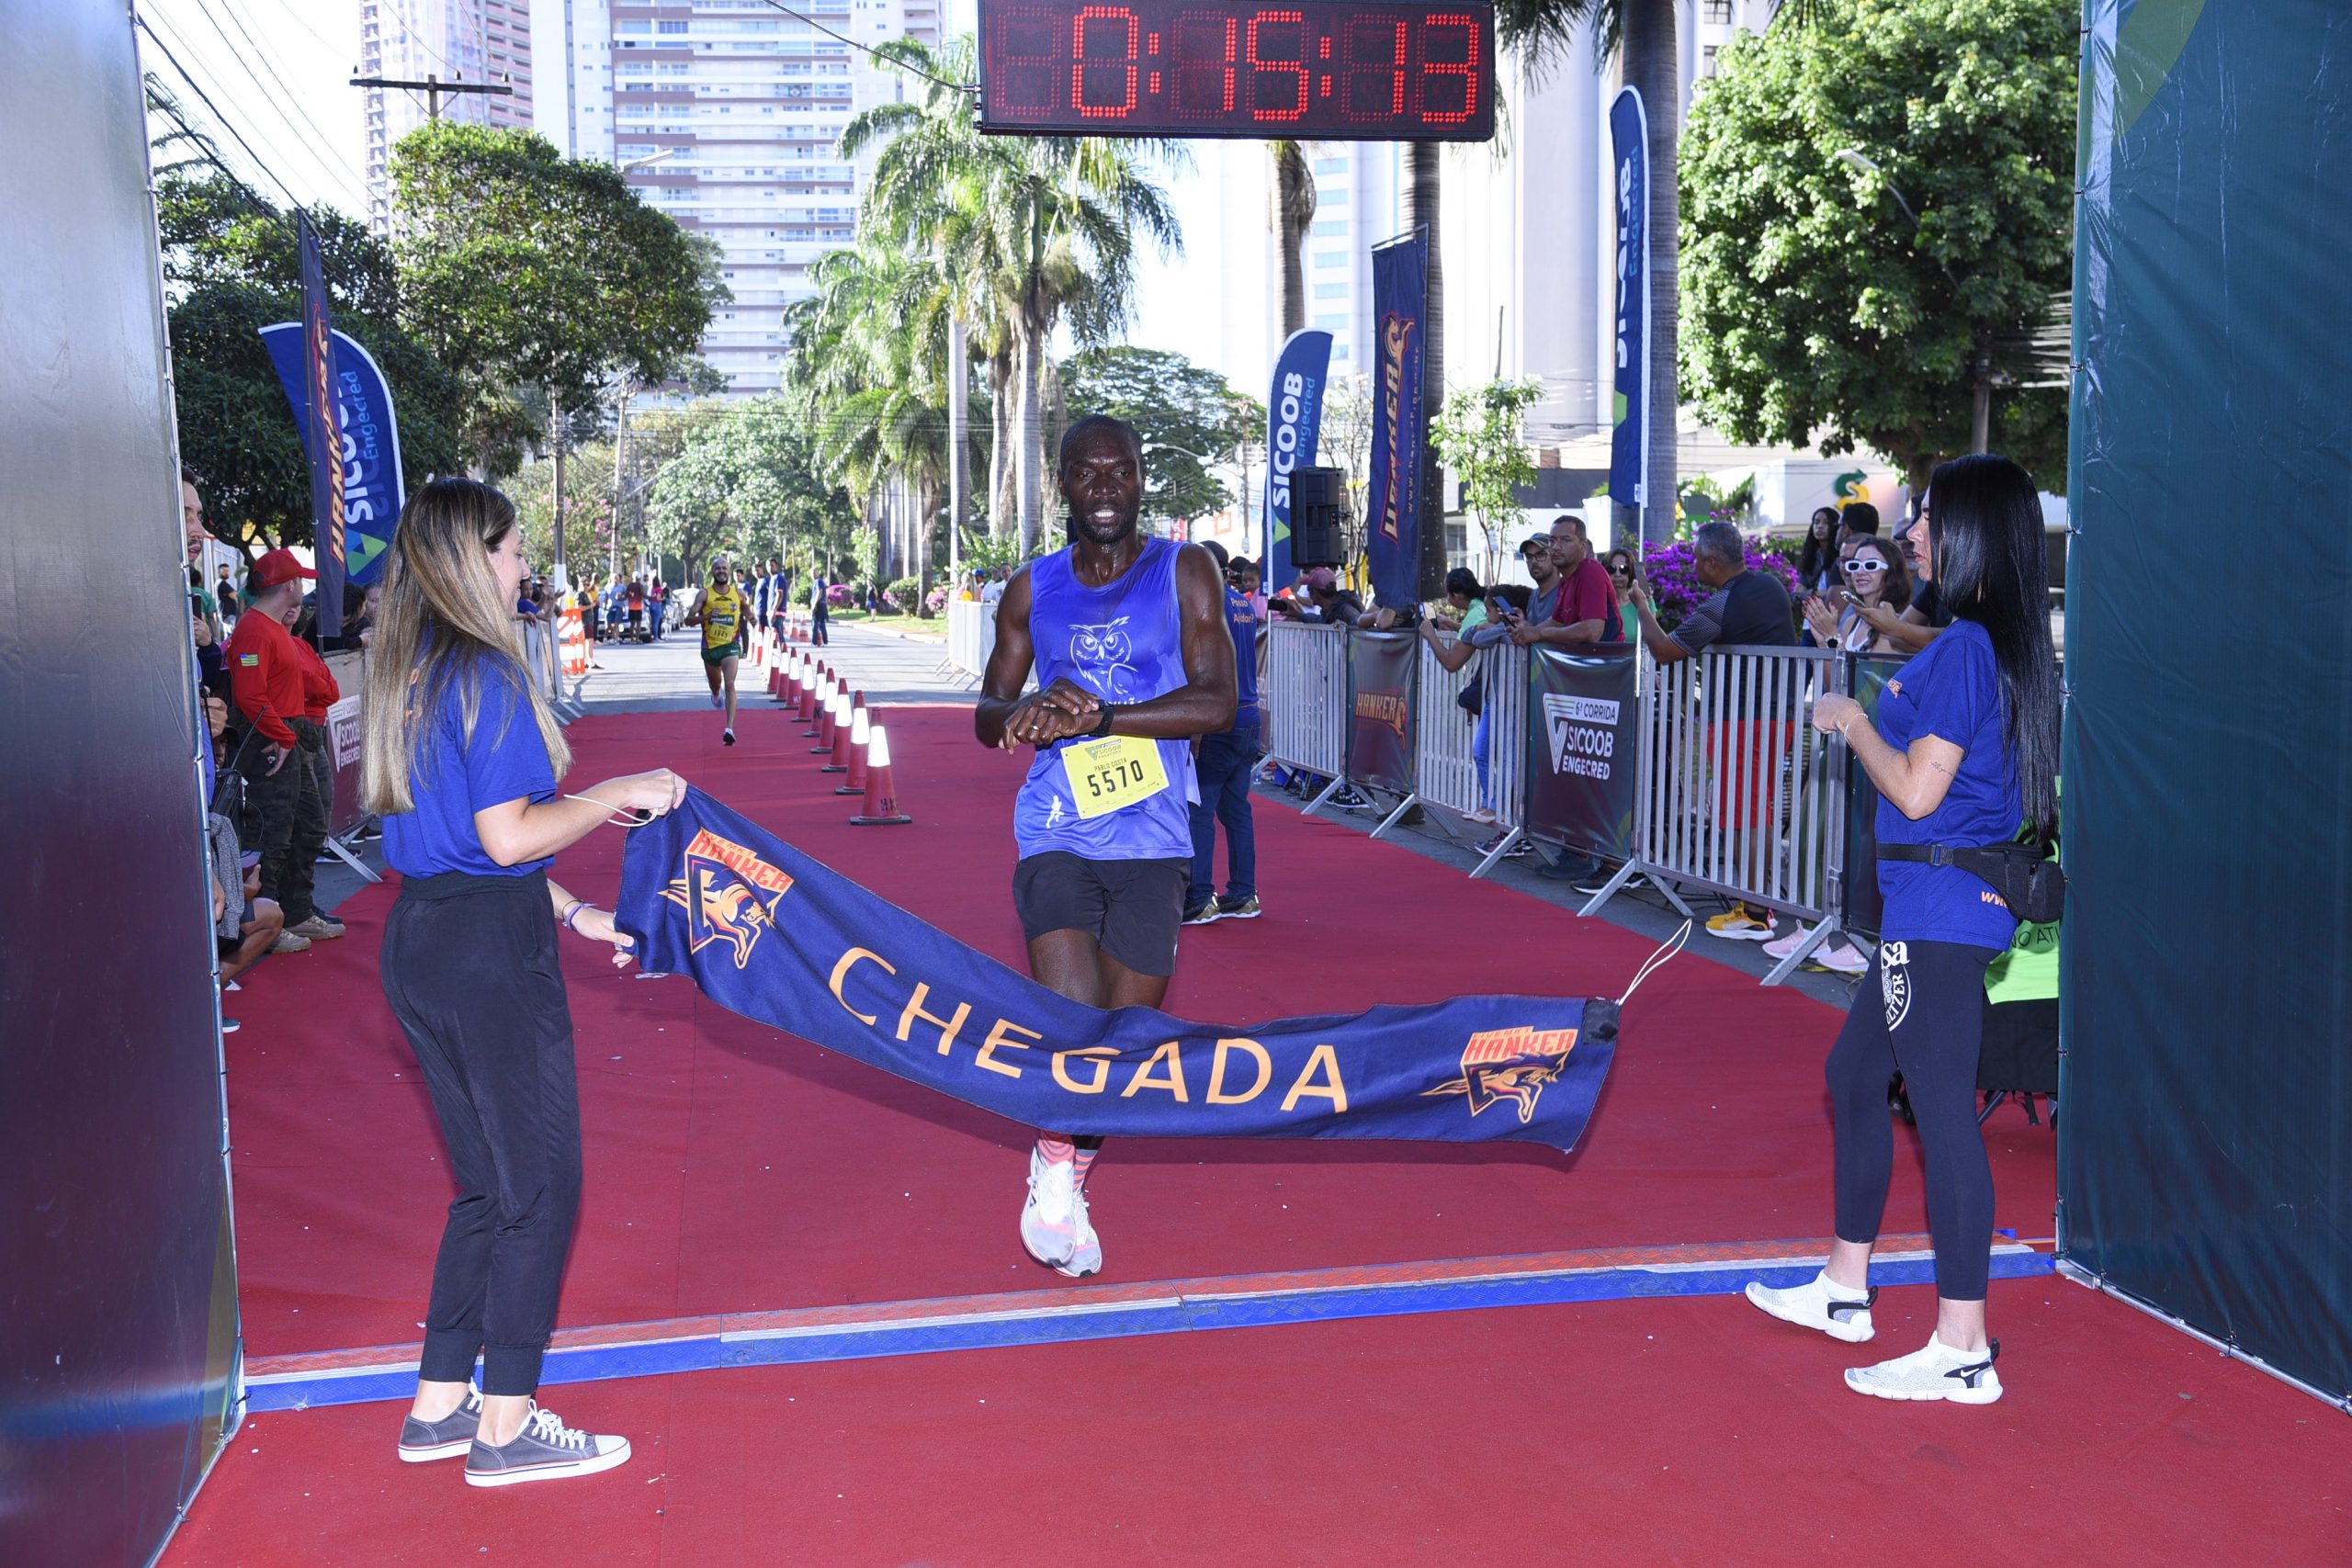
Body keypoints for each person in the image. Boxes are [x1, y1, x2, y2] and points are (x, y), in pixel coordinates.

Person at [363, 477, 685, 1486]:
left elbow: (456, 840)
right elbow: (508, 836)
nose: (522, 566)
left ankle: (440, 1405)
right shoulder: (484, 675)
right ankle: (505, 1427)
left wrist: (575, 910)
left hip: (421, 939)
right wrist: (617, 793)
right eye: (509, 550)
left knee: (483, 1189)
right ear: (470, 559)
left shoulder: (408, 670)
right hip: (486, 953)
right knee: (539, 1187)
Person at [1745, 453, 2060, 1405]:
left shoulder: (1969, 649)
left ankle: (1962, 1347)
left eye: (1926, 517)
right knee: (1852, 1078)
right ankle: (1845, 1288)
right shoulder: (1976, 644)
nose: (1910, 530)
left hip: (1935, 909)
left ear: (1968, 532)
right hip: (1928, 908)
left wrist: (1850, 721)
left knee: (1938, 1116)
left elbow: (1920, 791)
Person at [974, 414, 1235, 1280]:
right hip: (1056, 828)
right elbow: (986, 714)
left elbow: (1217, 704)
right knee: (1074, 1017)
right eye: (1087, 475)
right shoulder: (1030, 589)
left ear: (1140, 478)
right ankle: (1056, 1167)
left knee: (1121, 1042)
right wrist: (1025, 715)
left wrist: (1106, 717)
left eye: (1119, 471)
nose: (1105, 488)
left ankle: (1068, 1161)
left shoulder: (1185, 570)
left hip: (1156, 837)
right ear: (1063, 485)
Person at [1624, 521, 1800, 940]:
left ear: (1711, 561)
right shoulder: (1772, 586)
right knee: (1755, 813)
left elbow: (1666, 651)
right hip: (1779, 715)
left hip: (1745, 719)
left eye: (1697, 560)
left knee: (1743, 817)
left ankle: (1755, 912)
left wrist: (1642, 609)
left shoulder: (1722, 604)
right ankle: (1755, 905)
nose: (1693, 568)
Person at [226, 548, 335, 951]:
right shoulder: (255, 630)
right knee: (271, 832)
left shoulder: (270, 628)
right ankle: (266, 921)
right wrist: (284, 736)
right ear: (290, 585)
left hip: (284, 734)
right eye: (300, 581)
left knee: (303, 824)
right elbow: (251, 697)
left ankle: (294, 910)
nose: (303, 587)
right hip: (271, 739)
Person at [1183, 540, 1262, 925]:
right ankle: (1244, 893)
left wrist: (1195, 727)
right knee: (1236, 810)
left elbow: (1200, 666)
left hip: (1219, 719)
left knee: (1200, 809)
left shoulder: (1209, 605)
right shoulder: (1244, 604)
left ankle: (1200, 897)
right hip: (1247, 715)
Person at [280, 601, 348, 942]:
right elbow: (316, 684)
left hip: (313, 733)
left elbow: (330, 688)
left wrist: (318, 683)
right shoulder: (271, 640)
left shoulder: (302, 644)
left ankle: (301, 906)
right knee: (304, 825)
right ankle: (293, 910)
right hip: (294, 735)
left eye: (297, 602)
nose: (294, 607)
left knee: (317, 820)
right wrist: (317, 683)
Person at [1801, 535, 1913, 655]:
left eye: (1871, 565)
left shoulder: (1898, 622)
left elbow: (1870, 672)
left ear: (1892, 571)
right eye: (1855, 565)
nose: (1860, 572)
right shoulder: (1851, 622)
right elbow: (1834, 674)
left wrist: (1831, 636)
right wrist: (1824, 641)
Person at [680, 556, 745, 747]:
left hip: (730, 646)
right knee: (716, 685)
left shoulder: (738, 593)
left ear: (729, 570)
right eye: (718, 569)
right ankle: (716, 694)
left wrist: (751, 617)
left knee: (730, 684)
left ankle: (729, 728)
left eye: (724, 568)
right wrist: (707, 616)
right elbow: (688, 620)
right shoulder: (704, 595)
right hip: (710, 648)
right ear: (712, 572)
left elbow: (747, 609)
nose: (722, 572)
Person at [1797, 506, 1842, 597]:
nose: (1820, 526)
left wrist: (1812, 593)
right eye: (1816, 522)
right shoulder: (1811, 556)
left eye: (1826, 523)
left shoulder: (1841, 556)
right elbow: (1798, 591)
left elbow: (1840, 592)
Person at [808, 570, 831, 647]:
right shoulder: (818, 582)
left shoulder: (818, 581)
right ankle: (825, 642)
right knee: (821, 624)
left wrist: (814, 604)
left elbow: (819, 592)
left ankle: (814, 643)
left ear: (818, 573)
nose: (813, 574)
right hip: (822, 605)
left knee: (815, 624)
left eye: (815, 572)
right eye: (812, 573)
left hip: (819, 605)